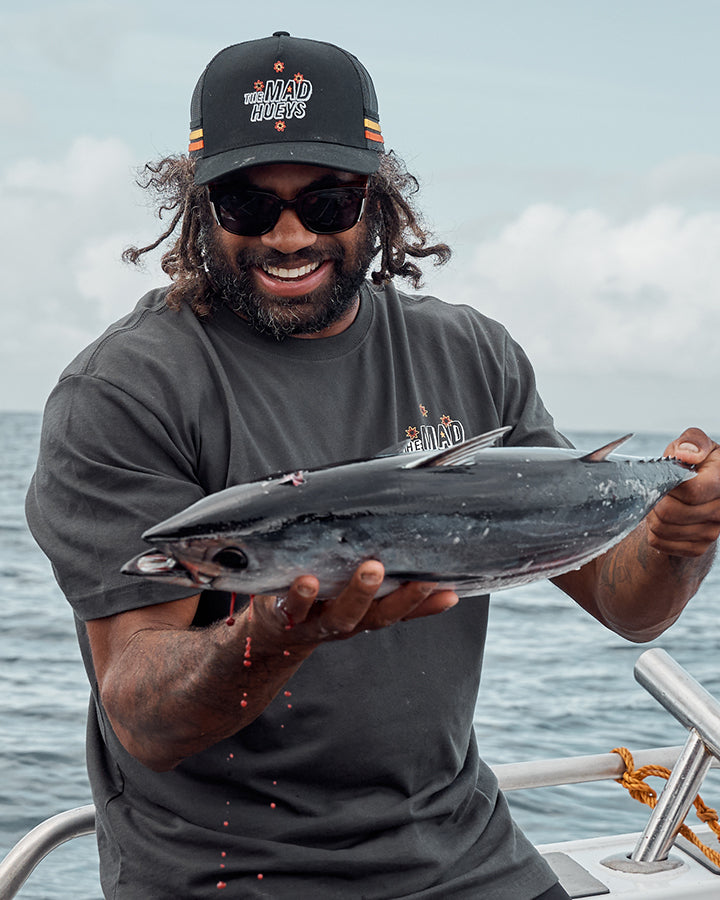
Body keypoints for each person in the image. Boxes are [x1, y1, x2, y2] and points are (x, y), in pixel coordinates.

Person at [26, 32, 720, 900]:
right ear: (197, 206)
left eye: (326, 200)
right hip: (231, 874)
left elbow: (627, 603)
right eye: (246, 203)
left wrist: (679, 533)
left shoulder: (473, 355)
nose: (287, 235)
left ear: (378, 199)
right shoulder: (127, 390)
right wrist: (284, 633)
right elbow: (144, 714)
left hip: (466, 854)